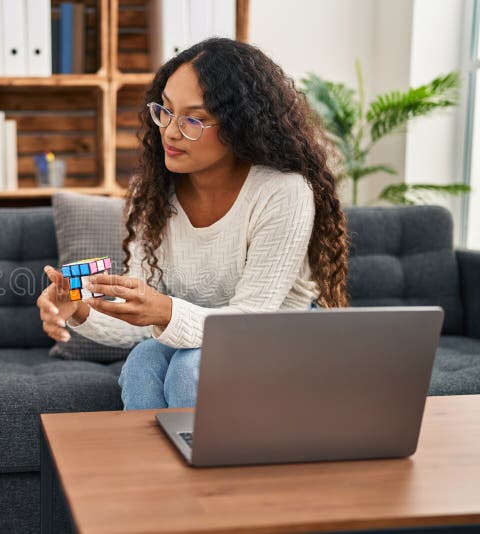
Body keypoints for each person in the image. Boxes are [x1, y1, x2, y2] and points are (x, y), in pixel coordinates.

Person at [37, 38, 349, 410]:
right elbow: (141, 319)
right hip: (199, 340)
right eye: (165, 111)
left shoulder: (283, 192)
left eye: (192, 120)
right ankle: (156, 452)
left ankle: (208, 451)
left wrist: (165, 310)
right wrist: (79, 308)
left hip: (275, 340)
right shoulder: (151, 195)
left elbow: (250, 320)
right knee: (143, 362)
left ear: (239, 126)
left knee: (190, 368)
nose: (170, 131)